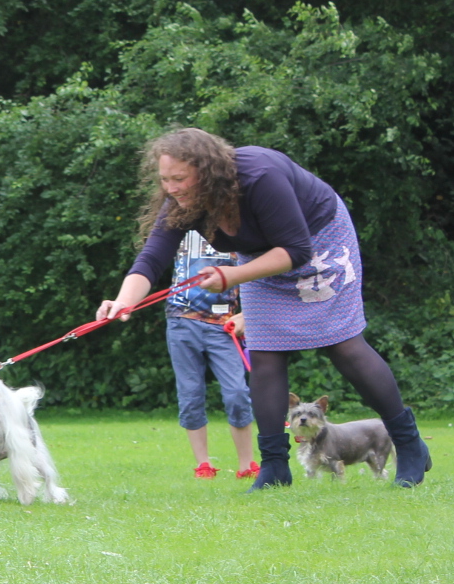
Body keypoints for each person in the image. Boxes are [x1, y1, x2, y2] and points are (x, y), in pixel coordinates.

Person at [96, 128, 431, 490]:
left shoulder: (260, 176)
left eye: (179, 178)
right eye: (165, 180)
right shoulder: (183, 200)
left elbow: (297, 250)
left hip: (319, 242)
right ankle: (274, 467)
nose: (171, 188)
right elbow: (153, 255)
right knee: (266, 352)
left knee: (343, 345)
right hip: (261, 259)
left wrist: (232, 276)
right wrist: (124, 300)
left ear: (208, 172)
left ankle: (408, 442)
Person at [162, 233, 259, 479]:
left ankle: (247, 465)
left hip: (224, 325)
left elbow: (259, 275)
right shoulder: (180, 225)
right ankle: (203, 464)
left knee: (237, 392)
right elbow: (151, 257)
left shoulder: (239, 229)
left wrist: (245, 316)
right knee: (190, 393)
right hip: (182, 321)